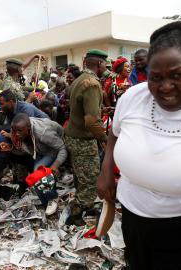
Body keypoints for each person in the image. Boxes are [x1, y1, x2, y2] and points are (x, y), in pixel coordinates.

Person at [97, 21, 181, 270]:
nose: (164, 87)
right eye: (155, 77)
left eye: (177, 74)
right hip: (132, 217)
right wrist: (106, 172)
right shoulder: (133, 97)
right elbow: (114, 134)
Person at [64, 49, 108, 224]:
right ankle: (75, 215)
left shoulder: (79, 80)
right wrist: (105, 139)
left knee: (81, 175)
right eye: (105, 63)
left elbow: (82, 109)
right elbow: (91, 121)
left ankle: (87, 204)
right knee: (90, 178)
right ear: (99, 64)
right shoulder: (92, 84)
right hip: (83, 139)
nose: (107, 66)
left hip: (73, 136)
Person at [11, 113, 67, 215]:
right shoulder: (17, 131)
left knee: (39, 171)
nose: (17, 134)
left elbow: (62, 148)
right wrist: (11, 148)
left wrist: (55, 165)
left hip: (53, 148)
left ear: (28, 128)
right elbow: (26, 151)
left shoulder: (42, 132)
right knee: (36, 177)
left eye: (19, 131)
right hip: (40, 150)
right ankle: (46, 204)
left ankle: (52, 198)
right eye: (15, 131)